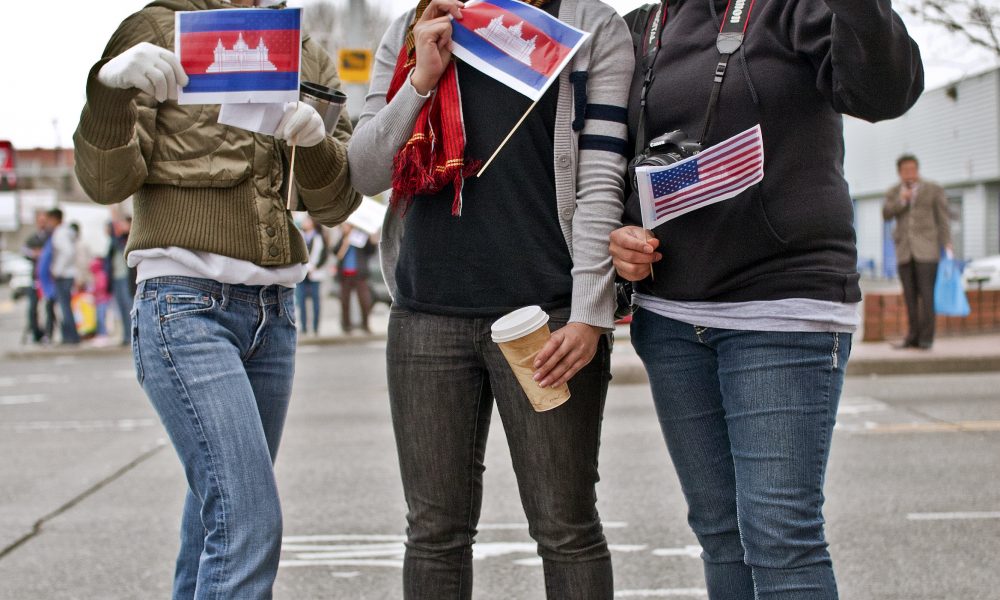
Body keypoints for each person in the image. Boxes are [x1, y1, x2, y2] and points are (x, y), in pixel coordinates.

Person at [609, 1, 923, 598]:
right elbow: (615, 160)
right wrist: (618, 230)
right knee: (720, 533)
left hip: (782, 308)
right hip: (672, 315)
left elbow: (883, 92)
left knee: (780, 538)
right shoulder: (640, 27)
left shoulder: (792, 9)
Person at [73, 0, 361, 597]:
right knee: (248, 520)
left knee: (218, 519)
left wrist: (312, 142)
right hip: (184, 305)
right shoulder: (157, 28)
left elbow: (335, 204)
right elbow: (106, 183)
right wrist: (106, 90)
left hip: (274, 313)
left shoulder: (305, 49)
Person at [349, 0, 633, 597]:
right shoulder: (413, 27)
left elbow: (602, 176)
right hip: (427, 315)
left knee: (566, 527)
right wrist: (421, 80)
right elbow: (364, 170)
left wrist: (590, 313)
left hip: (547, 317)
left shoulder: (589, 25)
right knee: (434, 534)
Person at [883, 154, 952, 350]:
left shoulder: (933, 189)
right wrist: (902, 201)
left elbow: (943, 219)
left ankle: (926, 338)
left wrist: (947, 244)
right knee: (910, 297)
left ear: (918, 169)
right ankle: (912, 336)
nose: (909, 173)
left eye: (912, 169)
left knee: (927, 295)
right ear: (899, 172)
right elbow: (886, 214)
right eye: (905, 170)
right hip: (904, 251)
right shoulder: (893, 192)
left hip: (927, 251)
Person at [47, 209, 80, 345]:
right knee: (65, 306)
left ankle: (70, 337)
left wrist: (57, 270)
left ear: (55, 219)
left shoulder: (60, 233)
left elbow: (67, 252)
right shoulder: (67, 232)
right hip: (69, 273)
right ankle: (70, 336)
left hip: (63, 275)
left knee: (64, 307)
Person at [333, 222, 373, 334]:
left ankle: (365, 324)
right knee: (344, 301)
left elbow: (370, 251)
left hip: (359, 274)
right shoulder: (342, 239)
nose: (344, 228)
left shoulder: (360, 238)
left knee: (365, 300)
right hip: (345, 275)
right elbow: (336, 252)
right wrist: (345, 242)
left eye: (347, 226)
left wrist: (371, 238)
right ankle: (346, 325)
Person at [22, 210, 55, 344]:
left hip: (49, 276)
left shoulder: (51, 236)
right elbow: (24, 250)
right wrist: (33, 254)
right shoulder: (33, 238)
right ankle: (36, 333)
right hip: (35, 277)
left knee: (49, 307)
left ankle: (49, 333)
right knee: (32, 308)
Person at [295, 216, 326, 335]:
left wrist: (315, 267)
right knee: (301, 301)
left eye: (307, 221)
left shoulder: (319, 237)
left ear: (313, 223)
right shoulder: (299, 235)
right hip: (302, 273)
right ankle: (303, 327)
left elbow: (324, 255)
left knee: (316, 302)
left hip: (315, 274)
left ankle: (315, 327)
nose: (305, 223)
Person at [107, 216, 136, 345]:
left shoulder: (130, 239)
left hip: (127, 277)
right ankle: (125, 336)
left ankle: (131, 336)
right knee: (121, 308)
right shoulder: (116, 241)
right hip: (116, 277)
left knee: (128, 306)